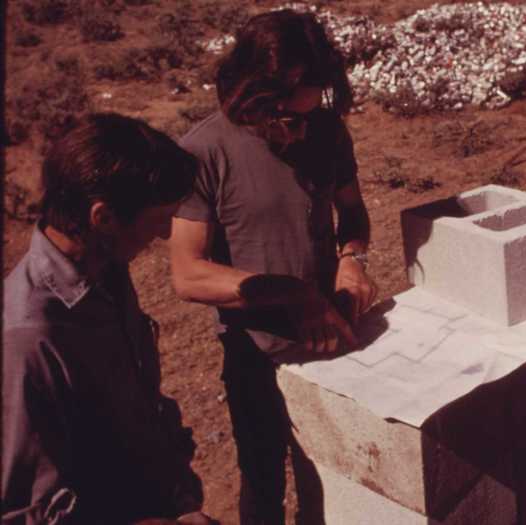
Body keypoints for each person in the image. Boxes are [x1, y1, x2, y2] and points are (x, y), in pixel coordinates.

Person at [169, 9, 377, 525]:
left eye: (306, 112)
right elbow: (187, 273)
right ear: (250, 92)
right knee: (262, 479)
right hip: (254, 352)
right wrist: (292, 295)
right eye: (282, 114)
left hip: (330, 340)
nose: (295, 129)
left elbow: (352, 212)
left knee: (332, 475)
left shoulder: (328, 132)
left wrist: (352, 259)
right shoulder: (203, 151)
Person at [2, 113, 218, 525]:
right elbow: (25, 513)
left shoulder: (105, 266)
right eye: (159, 219)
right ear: (103, 217)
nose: (166, 234)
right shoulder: (28, 338)